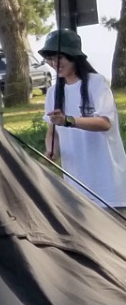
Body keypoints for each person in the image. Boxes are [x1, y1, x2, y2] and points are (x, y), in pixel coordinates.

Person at [40, 29, 126, 210]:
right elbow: (52, 130)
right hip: (76, 186)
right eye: (50, 59)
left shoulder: (97, 83)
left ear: (73, 56)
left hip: (109, 186)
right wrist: (51, 150)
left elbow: (105, 123)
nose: (55, 64)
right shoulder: (53, 92)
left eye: (59, 58)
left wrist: (69, 121)